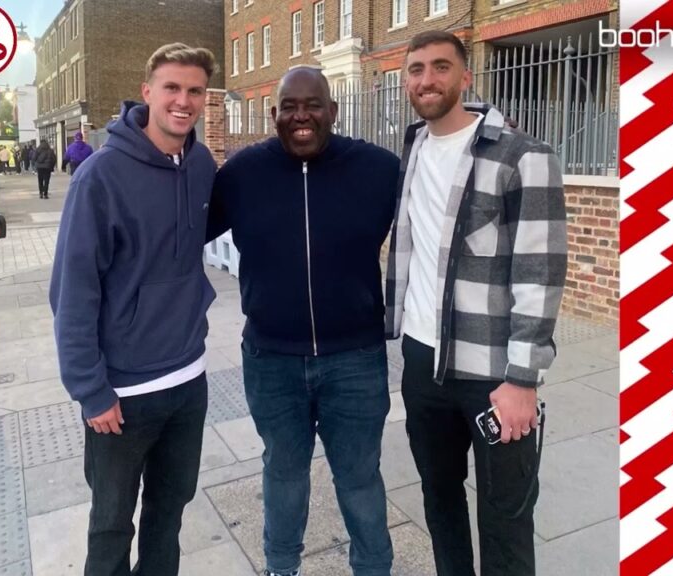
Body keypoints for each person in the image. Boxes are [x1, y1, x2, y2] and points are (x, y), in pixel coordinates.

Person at [386, 31, 566, 576]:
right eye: (416, 70)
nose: (427, 79)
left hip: (492, 373)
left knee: (506, 517)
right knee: (440, 503)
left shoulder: (523, 155)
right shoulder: (413, 146)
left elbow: (540, 270)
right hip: (422, 363)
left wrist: (522, 380)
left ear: (466, 77)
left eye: (441, 67)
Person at [208, 67, 400, 576]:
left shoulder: (378, 169)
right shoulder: (243, 173)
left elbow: (442, 203)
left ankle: (374, 569)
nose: (301, 116)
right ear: (274, 114)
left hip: (355, 359)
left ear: (332, 111)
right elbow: (179, 228)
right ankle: (280, 567)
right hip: (271, 359)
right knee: (284, 474)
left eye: (312, 104)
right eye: (289, 106)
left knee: (360, 478)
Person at [49, 43, 218, 576]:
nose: (183, 101)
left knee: (168, 518)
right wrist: (90, 389)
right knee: (111, 525)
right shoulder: (99, 176)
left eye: (194, 90)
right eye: (172, 87)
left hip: (188, 381)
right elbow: (72, 292)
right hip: (121, 396)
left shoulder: (202, 164)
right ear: (147, 92)